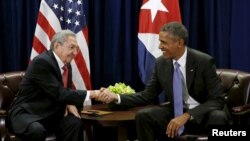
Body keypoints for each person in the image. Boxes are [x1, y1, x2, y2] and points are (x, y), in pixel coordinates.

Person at [96, 22, 229, 141]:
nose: (160, 46)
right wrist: (117, 97)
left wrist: (187, 115)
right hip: (177, 112)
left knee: (218, 116)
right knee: (144, 116)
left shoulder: (204, 61)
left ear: (179, 43)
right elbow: (147, 95)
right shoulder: (161, 63)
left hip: (203, 113)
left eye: (164, 42)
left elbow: (217, 100)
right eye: (160, 42)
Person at [8, 30, 98, 141]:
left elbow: (65, 92)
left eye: (77, 49)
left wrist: (68, 102)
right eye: (71, 47)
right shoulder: (42, 62)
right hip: (27, 114)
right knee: (37, 130)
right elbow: (59, 93)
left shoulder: (67, 65)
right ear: (57, 46)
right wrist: (93, 94)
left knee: (74, 123)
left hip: (50, 114)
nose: (75, 53)